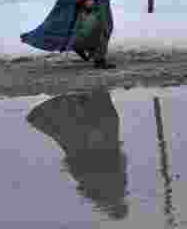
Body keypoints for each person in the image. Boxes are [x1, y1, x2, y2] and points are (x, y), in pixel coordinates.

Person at [27, 89, 130, 220]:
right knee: (100, 122)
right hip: (95, 145)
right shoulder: (112, 189)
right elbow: (117, 160)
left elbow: (115, 160)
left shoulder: (103, 190)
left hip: (89, 146)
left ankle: (82, 99)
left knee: (93, 124)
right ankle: (85, 98)